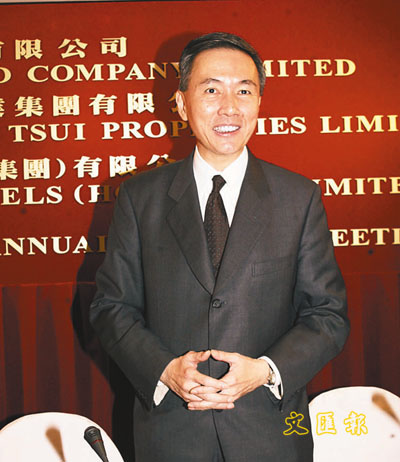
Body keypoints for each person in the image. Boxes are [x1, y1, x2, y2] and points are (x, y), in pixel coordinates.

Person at [90, 32, 349, 462]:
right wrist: (164, 370)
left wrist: (265, 371)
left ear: (259, 101)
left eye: (243, 91)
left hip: (272, 431)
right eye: (211, 90)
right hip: (172, 433)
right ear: (181, 103)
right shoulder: (140, 198)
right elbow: (111, 307)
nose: (229, 107)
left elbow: (328, 314)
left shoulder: (298, 197)